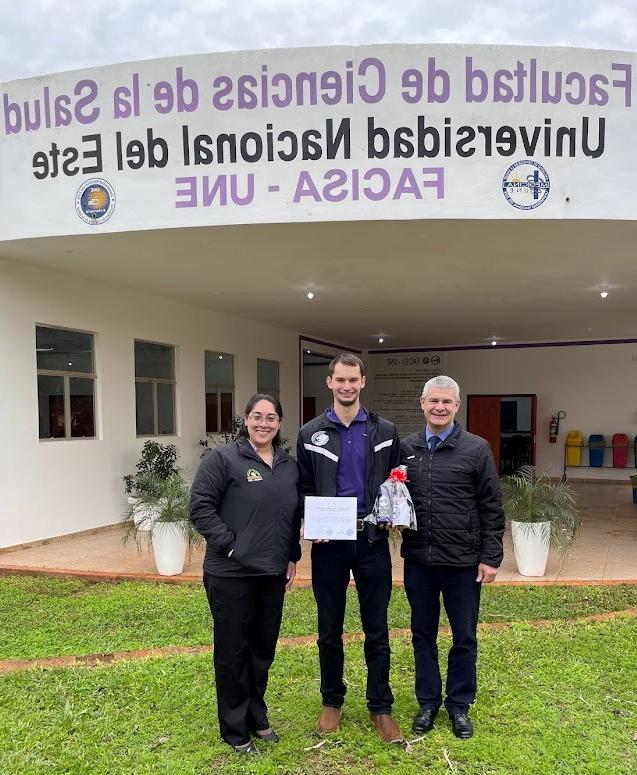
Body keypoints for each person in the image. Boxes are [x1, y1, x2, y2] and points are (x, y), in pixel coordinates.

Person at [296, 353, 404, 744]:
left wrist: (395, 511)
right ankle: (332, 701)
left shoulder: (385, 430)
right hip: (330, 543)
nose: (346, 386)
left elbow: (397, 482)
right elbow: (303, 485)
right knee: (329, 628)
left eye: (353, 380)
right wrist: (310, 520)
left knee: (377, 628)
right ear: (329, 383)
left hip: (371, 539)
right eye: (339, 380)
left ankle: (381, 707)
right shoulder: (310, 432)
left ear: (363, 382)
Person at [190, 393, 301, 754]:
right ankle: (234, 729)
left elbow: (291, 515)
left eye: (271, 418)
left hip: (271, 573)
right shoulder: (223, 459)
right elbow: (201, 507)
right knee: (233, 651)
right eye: (257, 416)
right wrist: (231, 545)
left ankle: (257, 716)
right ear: (246, 419)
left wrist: (292, 556)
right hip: (231, 573)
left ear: (280, 423)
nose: (263, 423)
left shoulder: (288, 465)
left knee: (261, 650)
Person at [400, 375, 504, 740]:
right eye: (433, 401)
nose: (440, 407)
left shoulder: (476, 449)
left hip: (463, 564)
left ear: (457, 406)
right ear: (422, 403)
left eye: (447, 402)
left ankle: (459, 705)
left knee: (464, 637)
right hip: (419, 561)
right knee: (422, 634)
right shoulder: (405, 448)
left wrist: (490, 556)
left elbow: (492, 506)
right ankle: (428, 702)